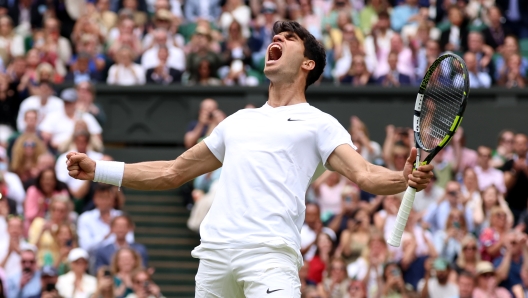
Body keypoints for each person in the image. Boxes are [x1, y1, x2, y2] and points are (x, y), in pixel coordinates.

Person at [66, 20, 434, 298]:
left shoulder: (321, 124)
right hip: (214, 259)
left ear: (308, 65)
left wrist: (404, 179)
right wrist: (99, 169)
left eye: (289, 39)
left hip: (269, 258)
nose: (277, 39)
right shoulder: (237, 121)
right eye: (277, 36)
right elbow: (172, 171)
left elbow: (366, 174)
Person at [77, 183, 133, 253]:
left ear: (112, 199)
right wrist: (107, 235)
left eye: (106, 197)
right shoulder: (85, 218)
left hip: (118, 259)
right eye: (100, 197)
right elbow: (85, 247)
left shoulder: (121, 217)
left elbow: (130, 242)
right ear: (94, 199)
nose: (103, 201)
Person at [501, 133, 528, 222]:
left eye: (523, 143)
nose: (521, 147)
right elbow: (506, 184)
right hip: (512, 207)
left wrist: (526, 169)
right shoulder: (509, 164)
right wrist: (514, 170)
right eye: (518, 144)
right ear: (514, 146)